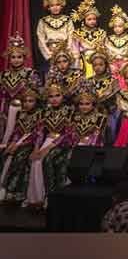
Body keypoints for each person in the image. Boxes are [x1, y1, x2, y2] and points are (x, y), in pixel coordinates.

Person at [24, 81, 75, 210]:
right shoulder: (44, 112)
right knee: (35, 161)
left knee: (46, 160)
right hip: (47, 141)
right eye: (51, 96)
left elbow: (68, 134)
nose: (54, 99)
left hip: (63, 143)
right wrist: (36, 149)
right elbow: (40, 132)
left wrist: (47, 148)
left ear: (63, 96)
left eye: (57, 95)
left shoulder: (69, 111)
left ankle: (51, 196)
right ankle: (36, 199)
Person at [36, 0, 76, 78]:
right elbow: (40, 39)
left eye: (58, 4)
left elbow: (71, 36)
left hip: (65, 51)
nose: (55, 7)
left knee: (66, 76)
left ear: (62, 5)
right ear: (48, 7)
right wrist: (48, 55)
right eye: (52, 5)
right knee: (52, 76)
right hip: (51, 52)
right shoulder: (43, 21)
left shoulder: (67, 20)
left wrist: (68, 51)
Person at [70, 0, 107, 78]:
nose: (92, 21)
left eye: (94, 19)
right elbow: (75, 50)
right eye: (89, 19)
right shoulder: (77, 33)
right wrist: (77, 63)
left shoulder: (101, 33)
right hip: (84, 61)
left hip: (98, 60)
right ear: (84, 20)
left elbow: (104, 48)